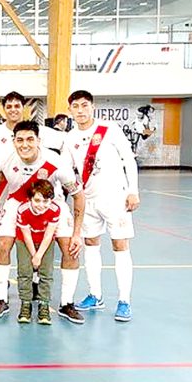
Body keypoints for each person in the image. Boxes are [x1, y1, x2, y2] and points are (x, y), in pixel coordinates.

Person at [0, 121, 85, 323]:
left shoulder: (55, 161)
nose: (25, 145)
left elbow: (78, 195)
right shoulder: (2, 157)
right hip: (17, 203)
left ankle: (66, 303)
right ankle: (1, 298)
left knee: (71, 249)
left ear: (38, 141)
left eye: (30, 139)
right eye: (20, 140)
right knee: (2, 245)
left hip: (51, 203)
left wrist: (77, 233)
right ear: (13, 141)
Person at [65, 90, 140, 322]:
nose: (80, 110)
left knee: (120, 245)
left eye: (84, 105)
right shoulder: (70, 138)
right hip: (88, 200)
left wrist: (132, 190)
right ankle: (95, 295)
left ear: (92, 106)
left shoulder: (109, 129)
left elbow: (128, 159)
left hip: (115, 198)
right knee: (91, 244)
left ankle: (124, 300)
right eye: (75, 106)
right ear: (70, 110)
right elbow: (68, 170)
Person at [15, 180, 59, 325]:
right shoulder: (23, 210)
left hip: (45, 241)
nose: (41, 205)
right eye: (37, 200)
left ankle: (44, 305)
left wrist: (39, 255)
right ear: (30, 199)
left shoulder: (54, 210)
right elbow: (26, 235)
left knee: (46, 273)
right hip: (25, 241)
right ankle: (26, 304)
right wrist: (34, 255)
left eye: (45, 201)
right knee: (24, 272)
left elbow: (49, 235)